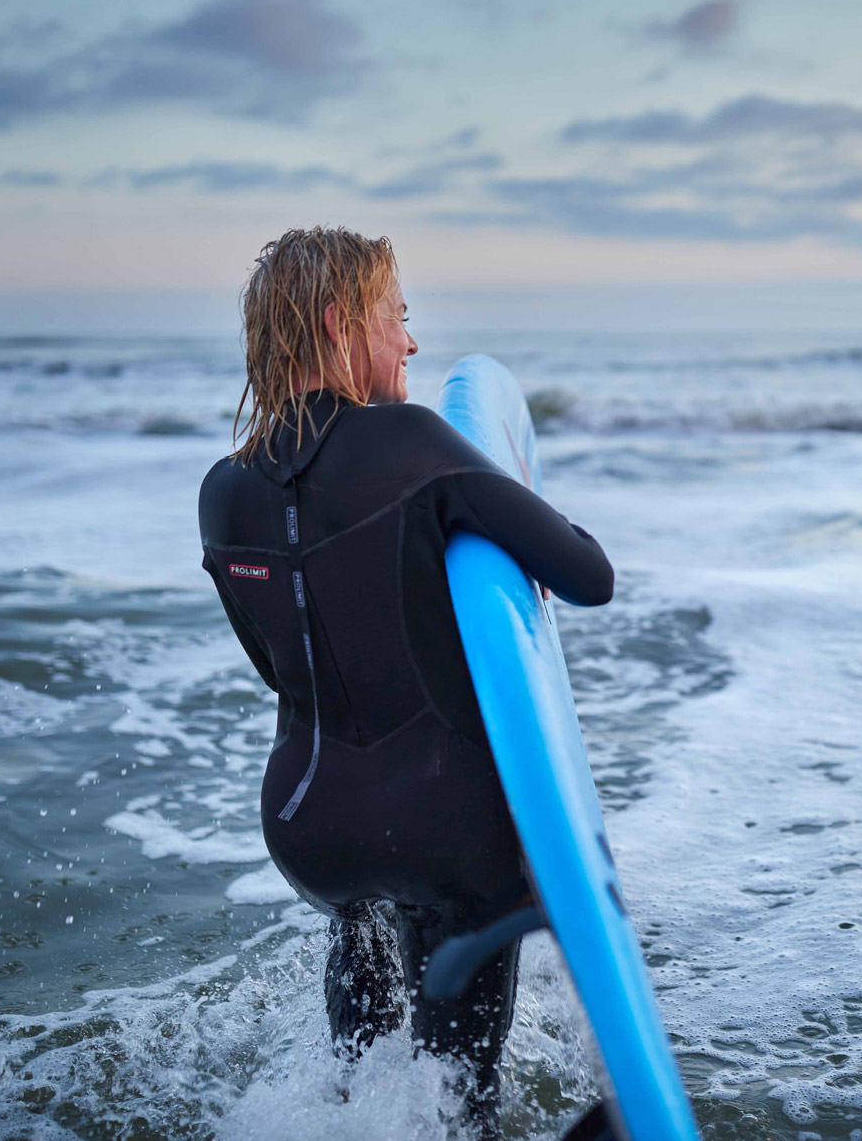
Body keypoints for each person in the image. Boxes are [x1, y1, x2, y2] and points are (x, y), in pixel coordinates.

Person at [197, 227, 614, 1131]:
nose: (412, 344)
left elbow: (278, 665)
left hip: (309, 826)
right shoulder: (414, 445)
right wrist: (493, 479)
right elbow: (588, 573)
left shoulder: (222, 490)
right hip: (446, 828)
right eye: (400, 317)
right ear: (345, 323)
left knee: (363, 1069)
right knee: (462, 1101)